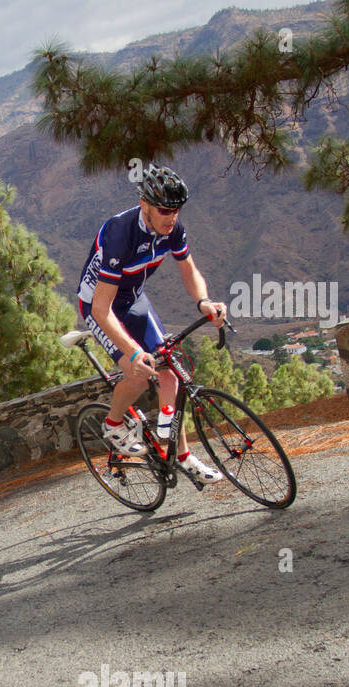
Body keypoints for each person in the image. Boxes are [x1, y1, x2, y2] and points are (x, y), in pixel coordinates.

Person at [75, 163, 226, 483]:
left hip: (133, 299)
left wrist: (204, 302)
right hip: (99, 305)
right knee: (139, 373)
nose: (171, 217)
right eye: (163, 210)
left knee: (168, 367)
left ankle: (181, 454)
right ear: (145, 205)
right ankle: (114, 425)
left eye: (176, 210)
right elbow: (102, 309)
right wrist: (132, 352)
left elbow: (189, 271)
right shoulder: (121, 234)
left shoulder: (173, 228)